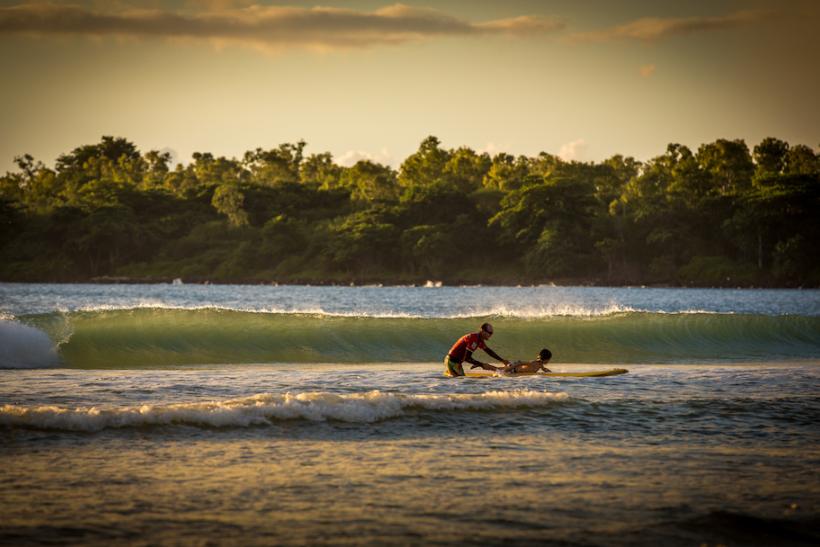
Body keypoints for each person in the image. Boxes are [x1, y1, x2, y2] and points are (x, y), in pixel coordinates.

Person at [444, 322, 509, 377]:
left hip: (456, 363)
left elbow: (489, 351)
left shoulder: (479, 340)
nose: (490, 335)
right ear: (483, 331)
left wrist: (502, 360)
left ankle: (500, 371)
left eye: (491, 333)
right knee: (461, 382)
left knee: (462, 381)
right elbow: (467, 358)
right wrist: (481, 364)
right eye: (489, 333)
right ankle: (500, 371)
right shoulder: (474, 339)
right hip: (452, 362)